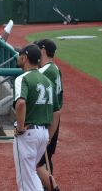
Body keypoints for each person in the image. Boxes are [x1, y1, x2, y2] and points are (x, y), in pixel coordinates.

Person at [13, 44, 59, 191]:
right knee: (31, 173)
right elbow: (56, 112)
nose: (18, 57)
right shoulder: (47, 81)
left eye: (20, 55)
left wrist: (20, 128)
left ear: (25, 58)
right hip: (43, 133)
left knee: (25, 179)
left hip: (28, 134)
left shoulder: (23, 78)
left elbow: (20, 103)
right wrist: (49, 137)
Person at [36, 39, 63, 191]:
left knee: (36, 163)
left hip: (47, 123)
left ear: (43, 51)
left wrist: (49, 135)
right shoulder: (56, 69)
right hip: (53, 121)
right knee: (45, 160)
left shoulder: (45, 71)